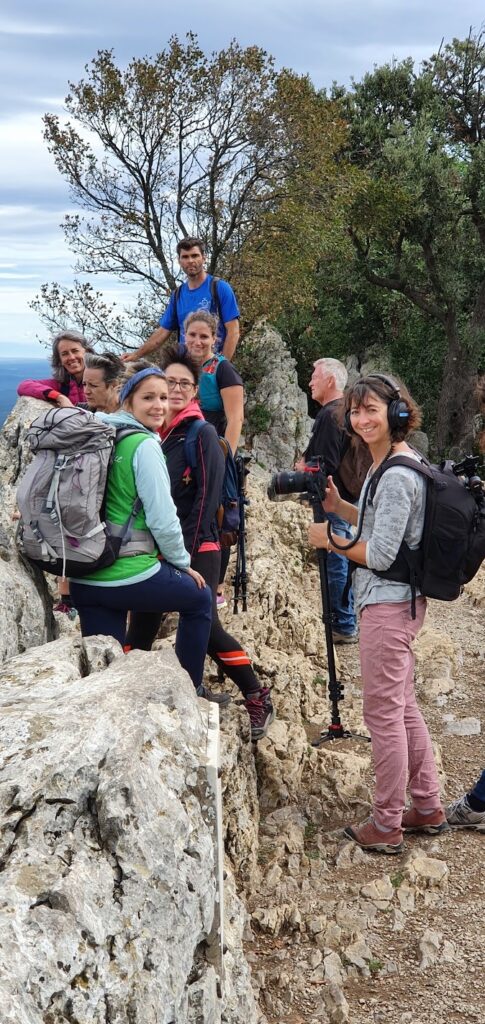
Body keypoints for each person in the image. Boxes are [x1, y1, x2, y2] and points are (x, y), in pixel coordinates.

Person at [307, 372, 447, 854]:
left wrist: (331, 540)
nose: (361, 419)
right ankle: (426, 805)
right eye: (355, 411)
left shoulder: (397, 474)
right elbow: (379, 527)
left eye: (372, 409)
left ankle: (387, 824)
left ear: (398, 413)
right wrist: (339, 507)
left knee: (382, 716)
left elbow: (382, 553)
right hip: (396, 602)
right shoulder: (385, 465)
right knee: (402, 707)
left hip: (388, 605)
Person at [128, 345, 274, 739]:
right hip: (158, 551)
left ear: (195, 391)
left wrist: (182, 559)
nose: (174, 389)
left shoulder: (201, 433)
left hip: (200, 549)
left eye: (183, 383)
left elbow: (206, 502)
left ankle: (256, 693)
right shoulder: (158, 436)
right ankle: (127, 694)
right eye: (169, 382)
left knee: (207, 628)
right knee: (141, 624)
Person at [69, 361, 213, 697]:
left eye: (163, 398)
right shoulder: (145, 446)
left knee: (107, 676)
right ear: (128, 402)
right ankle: (189, 690)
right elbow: (163, 518)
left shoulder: (100, 434)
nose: (159, 405)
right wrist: (182, 564)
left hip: (84, 577)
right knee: (200, 599)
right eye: (149, 398)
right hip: (126, 575)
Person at [296, 358, 358, 644]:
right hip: (347, 498)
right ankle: (345, 620)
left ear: (330, 381)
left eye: (315, 376)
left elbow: (326, 464)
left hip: (334, 499)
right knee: (342, 555)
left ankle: (342, 625)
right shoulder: (343, 412)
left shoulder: (330, 415)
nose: (310, 382)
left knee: (335, 558)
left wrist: (304, 469)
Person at [122, 237, 240, 363]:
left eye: (195, 255)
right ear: (179, 260)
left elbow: (233, 331)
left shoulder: (219, 288)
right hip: (186, 368)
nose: (190, 261)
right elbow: (163, 332)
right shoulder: (177, 295)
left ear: (203, 258)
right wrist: (136, 355)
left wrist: (220, 367)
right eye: (185, 257)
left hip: (212, 364)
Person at [17, 330, 91, 406]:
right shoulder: (62, 385)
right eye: (64, 354)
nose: (71, 357)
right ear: (60, 360)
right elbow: (24, 386)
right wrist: (59, 397)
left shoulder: (102, 379)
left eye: (75, 351)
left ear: (87, 352)